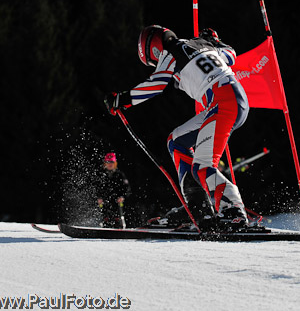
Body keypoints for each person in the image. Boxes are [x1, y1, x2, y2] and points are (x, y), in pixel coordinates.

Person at [105, 26, 249, 231]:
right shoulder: (200, 44)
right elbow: (231, 55)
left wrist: (122, 99)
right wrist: (216, 42)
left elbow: (157, 83)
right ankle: (197, 208)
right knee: (177, 141)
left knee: (203, 166)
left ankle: (233, 212)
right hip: (231, 99)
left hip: (223, 103)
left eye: (152, 61)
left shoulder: (170, 52)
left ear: (153, 49)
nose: (155, 63)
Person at [92, 152, 131, 228]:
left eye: (112, 162)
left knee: (119, 215)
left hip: (117, 203)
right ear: (105, 163)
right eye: (108, 162)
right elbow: (96, 187)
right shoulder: (101, 174)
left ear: (115, 163)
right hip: (105, 202)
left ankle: (121, 225)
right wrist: (98, 197)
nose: (110, 164)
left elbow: (127, 188)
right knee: (104, 215)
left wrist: (123, 197)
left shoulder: (120, 174)